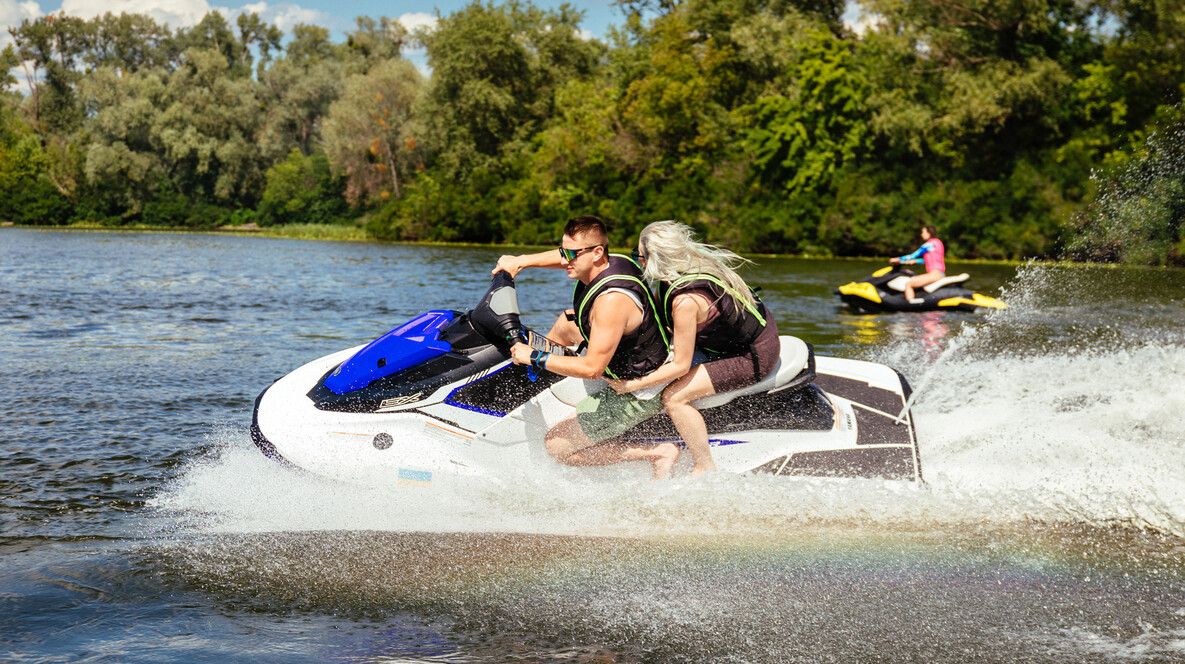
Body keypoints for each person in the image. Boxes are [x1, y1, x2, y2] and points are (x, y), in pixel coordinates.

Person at [492, 215, 679, 479]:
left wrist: (533, 355)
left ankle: (657, 452)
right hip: (633, 346)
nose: (566, 260)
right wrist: (521, 261)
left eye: (572, 254)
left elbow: (593, 368)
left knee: (556, 445)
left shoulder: (611, 302)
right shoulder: (614, 262)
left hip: (640, 386)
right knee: (566, 324)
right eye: (563, 251)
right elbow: (564, 258)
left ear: (597, 252)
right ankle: (536, 383)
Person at [604, 220, 779, 477]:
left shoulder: (685, 302)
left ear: (655, 260)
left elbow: (680, 366)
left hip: (751, 355)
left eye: (637, 255)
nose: (636, 260)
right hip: (735, 338)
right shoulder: (677, 272)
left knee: (674, 397)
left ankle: (704, 465)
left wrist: (631, 386)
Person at [890, 225, 945, 303]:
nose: (921, 234)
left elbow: (912, 256)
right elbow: (929, 260)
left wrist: (897, 259)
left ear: (929, 233)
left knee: (909, 284)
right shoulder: (938, 243)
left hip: (933, 275)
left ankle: (910, 306)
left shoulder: (928, 245)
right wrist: (916, 261)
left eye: (923, 232)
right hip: (940, 274)